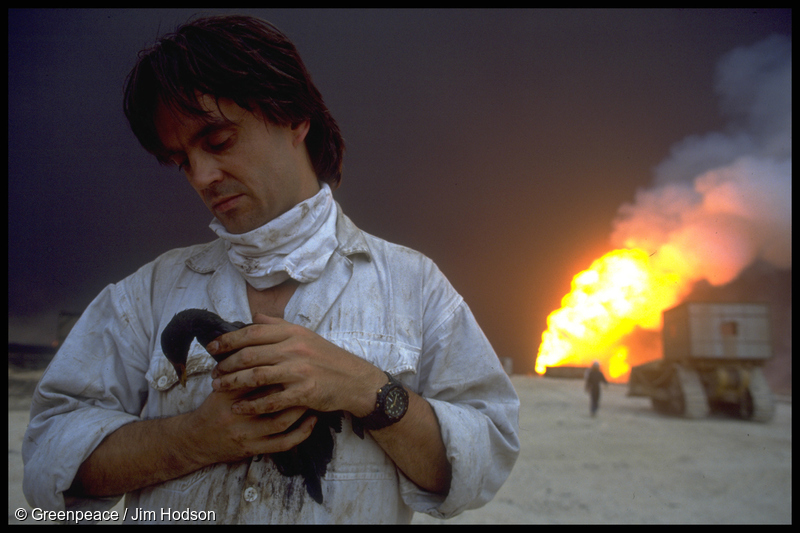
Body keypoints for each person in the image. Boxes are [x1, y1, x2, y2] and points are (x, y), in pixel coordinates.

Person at [22, 14, 520, 524]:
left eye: (217, 141)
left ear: (295, 118)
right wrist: (189, 440)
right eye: (181, 160)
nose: (202, 176)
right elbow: (46, 460)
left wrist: (367, 389)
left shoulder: (415, 287)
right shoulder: (143, 296)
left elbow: (483, 463)